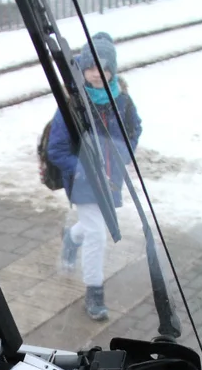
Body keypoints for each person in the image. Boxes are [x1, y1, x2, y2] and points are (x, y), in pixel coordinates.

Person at [46, 32, 142, 321]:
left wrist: (121, 155)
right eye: (90, 68)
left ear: (112, 70)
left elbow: (134, 131)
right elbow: (57, 148)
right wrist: (85, 168)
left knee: (90, 228)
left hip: (111, 179)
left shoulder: (122, 101)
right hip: (83, 182)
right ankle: (94, 293)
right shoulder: (72, 104)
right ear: (81, 69)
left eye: (103, 68)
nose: (96, 74)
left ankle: (71, 239)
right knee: (98, 234)